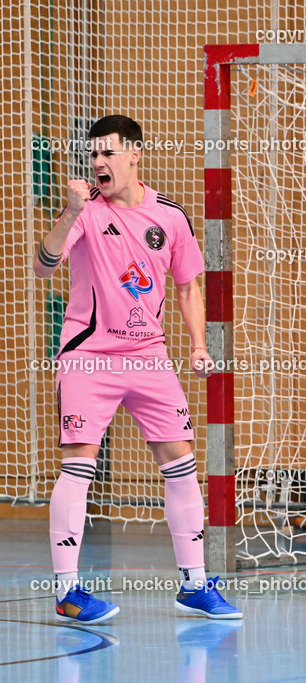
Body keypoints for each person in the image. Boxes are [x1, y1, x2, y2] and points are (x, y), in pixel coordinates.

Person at [32, 115, 242, 623]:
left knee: (181, 464)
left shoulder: (170, 217)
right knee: (77, 465)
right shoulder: (83, 211)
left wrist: (197, 345)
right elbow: (43, 265)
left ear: (135, 154)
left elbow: (189, 286)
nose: (99, 163)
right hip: (88, 358)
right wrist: (69, 211)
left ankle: (194, 584)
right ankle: (67, 590)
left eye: (108, 153)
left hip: (150, 357)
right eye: (93, 154)